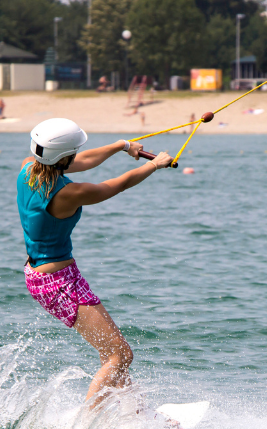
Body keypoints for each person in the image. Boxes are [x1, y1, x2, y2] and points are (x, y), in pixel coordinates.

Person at [17, 118, 173, 402]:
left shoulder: (29, 167)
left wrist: (122, 146)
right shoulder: (70, 193)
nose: (77, 156)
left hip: (47, 275)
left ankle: (132, 414)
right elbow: (117, 185)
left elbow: (83, 161)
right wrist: (154, 164)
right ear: (64, 158)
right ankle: (84, 427)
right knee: (120, 354)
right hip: (57, 282)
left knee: (111, 353)